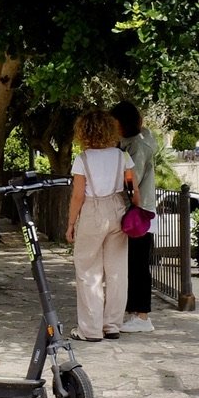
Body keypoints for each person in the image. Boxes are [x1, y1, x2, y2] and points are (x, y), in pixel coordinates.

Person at [66, 109, 139, 342]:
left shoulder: (83, 159)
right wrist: (136, 210)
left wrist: (70, 223)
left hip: (92, 210)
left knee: (88, 270)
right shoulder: (122, 157)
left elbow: (78, 196)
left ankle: (91, 329)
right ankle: (112, 325)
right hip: (118, 209)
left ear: (83, 132)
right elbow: (133, 188)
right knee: (117, 271)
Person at [111, 100, 158, 334]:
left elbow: (132, 181)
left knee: (138, 264)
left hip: (139, 210)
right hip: (139, 209)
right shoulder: (136, 141)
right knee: (132, 262)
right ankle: (135, 312)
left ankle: (142, 315)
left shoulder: (137, 147)